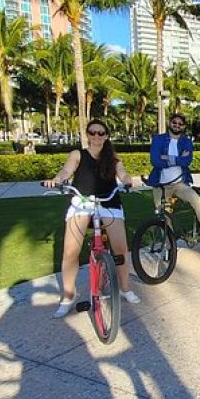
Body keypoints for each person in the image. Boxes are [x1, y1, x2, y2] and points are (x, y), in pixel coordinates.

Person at [43, 119, 140, 318]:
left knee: (121, 249)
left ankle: (124, 288)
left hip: (109, 200)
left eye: (101, 133)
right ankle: (68, 297)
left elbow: (122, 173)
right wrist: (57, 180)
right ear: (87, 134)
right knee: (71, 251)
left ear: (106, 136)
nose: (96, 136)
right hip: (82, 201)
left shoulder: (111, 156)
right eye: (93, 132)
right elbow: (67, 170)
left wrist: (130, 181)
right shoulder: (78, 154)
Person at [147, 112, 200, 249]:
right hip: (160, 185)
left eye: (180, 124)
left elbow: (186, 161)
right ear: (170, 123)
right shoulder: (158, 139)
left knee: (198, 202)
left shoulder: (186, 142)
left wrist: (167, 158)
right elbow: (155, 160)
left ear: (184, 126)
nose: (177, 125)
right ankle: (170, 245)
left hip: (180, 184)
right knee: (163, 215)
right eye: (174, 123)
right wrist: (177, 159)